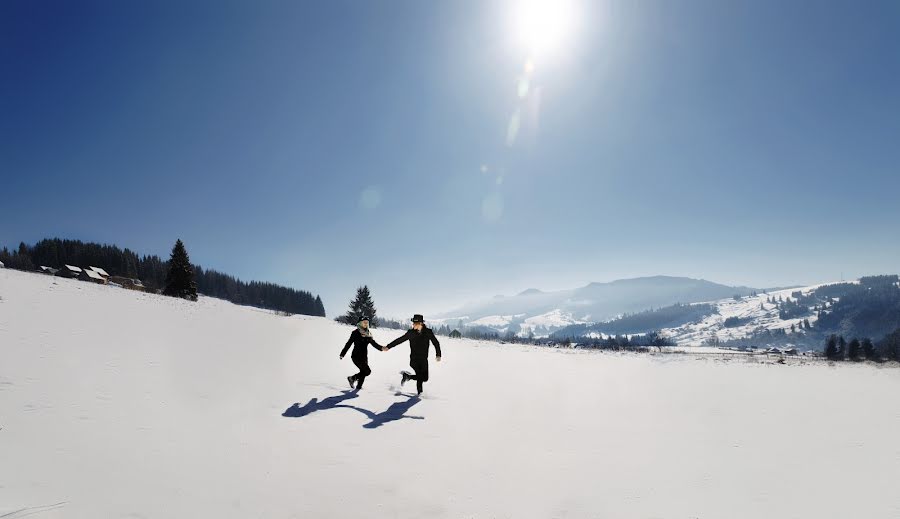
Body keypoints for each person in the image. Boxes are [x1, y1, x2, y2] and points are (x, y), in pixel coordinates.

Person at [383, 314, 442, 395]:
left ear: (421, 324)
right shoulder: (411, 333)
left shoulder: (428, 332)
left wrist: (438, 354)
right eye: (413, 323)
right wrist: (388, 346)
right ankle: (419, 394)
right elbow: (399, 340)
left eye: (415, 323)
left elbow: (436, 343)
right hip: (414, 359)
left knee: (424, 378)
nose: (413, 325)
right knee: (420, 376)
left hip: (424, 359)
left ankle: (408, 377)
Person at [340, 316, 383, 390]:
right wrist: (342, 353)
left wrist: (382, 348)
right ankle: (352, 378)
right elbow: (348, 344)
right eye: (364, 323)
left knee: (363, 372)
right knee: (367, 371)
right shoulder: (355, 333)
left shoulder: (368, 334)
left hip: (364, 357)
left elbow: (374, 343)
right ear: (360, 323)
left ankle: (358, 387)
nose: (366, 324)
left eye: (367, 323)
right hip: (356, 356)